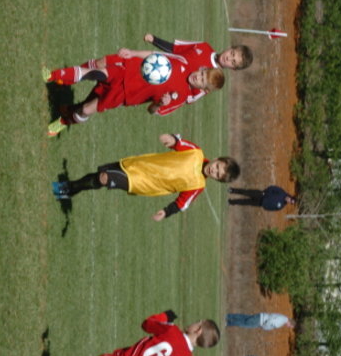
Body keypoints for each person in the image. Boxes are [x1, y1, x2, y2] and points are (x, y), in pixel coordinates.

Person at [52, 133, 240, 221]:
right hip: (140, 164)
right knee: (98, 175)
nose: (214, 171)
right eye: (217, 167)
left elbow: (182, 203)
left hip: (142, 183)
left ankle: (65, 188)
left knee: (104, 177)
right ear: (216, 159)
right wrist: (171, 139)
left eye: (217, 174)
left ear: (217, 179)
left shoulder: (197, 186)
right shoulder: (196, 152)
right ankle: (71, 188)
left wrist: (166, 212)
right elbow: (179, 143)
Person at [43, 51, 224, 136]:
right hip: (128, 70)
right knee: (95, 72)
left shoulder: (181, 97)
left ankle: (65, 120)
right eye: (201, 74)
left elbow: (151, 111)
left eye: (201, 81)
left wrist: (160, 103)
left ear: (203, 89)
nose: (197, 77)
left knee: (87, 109)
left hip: (126, 94)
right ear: (202, 68)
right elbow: (155, 54)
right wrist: (133, 53)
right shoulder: (182, 62)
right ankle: (54, 75)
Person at [42, 310, 220, 356]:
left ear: (198, 330)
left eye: (197, 322)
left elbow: (147, 324)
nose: (193, 323)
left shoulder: (172, 331)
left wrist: (165, 316)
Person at [74, 32, 253, 104]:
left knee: (102, 96)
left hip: (145, 87)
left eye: (233, 62)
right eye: (232, 53)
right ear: (230, 48)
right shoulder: (204, 47)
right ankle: (74, 74)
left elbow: (183, 97)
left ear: (233, 69)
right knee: (103, 64)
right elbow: (176, 49)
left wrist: (163, 100)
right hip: (145, 63)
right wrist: (155, 40)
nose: (229, 58)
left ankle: (73, 111)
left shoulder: (208, 84)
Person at [228, 185, 295, 211]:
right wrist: (265, 192)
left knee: (245, 202)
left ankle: (231, 202)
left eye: (290, 202)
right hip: (261, 195)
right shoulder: (282, 192)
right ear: (290, 197)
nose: (289, 201)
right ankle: (232, 190)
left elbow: (272, 209)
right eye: (290, 199)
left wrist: (264, 206)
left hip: (260, 203)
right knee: (246, 192)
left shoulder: (281, 205)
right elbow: (273, 188)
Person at [225, 312, 295, 331]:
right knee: (244, 323)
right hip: (260, 321)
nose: (288, 327)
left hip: (260, 317)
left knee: (244, 318)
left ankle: (229, 316)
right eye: (290, 326)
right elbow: (271, 320)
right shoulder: (282, 320)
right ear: (290, 323)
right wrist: (264, 326)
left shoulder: (283, 318)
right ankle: (228, 322)